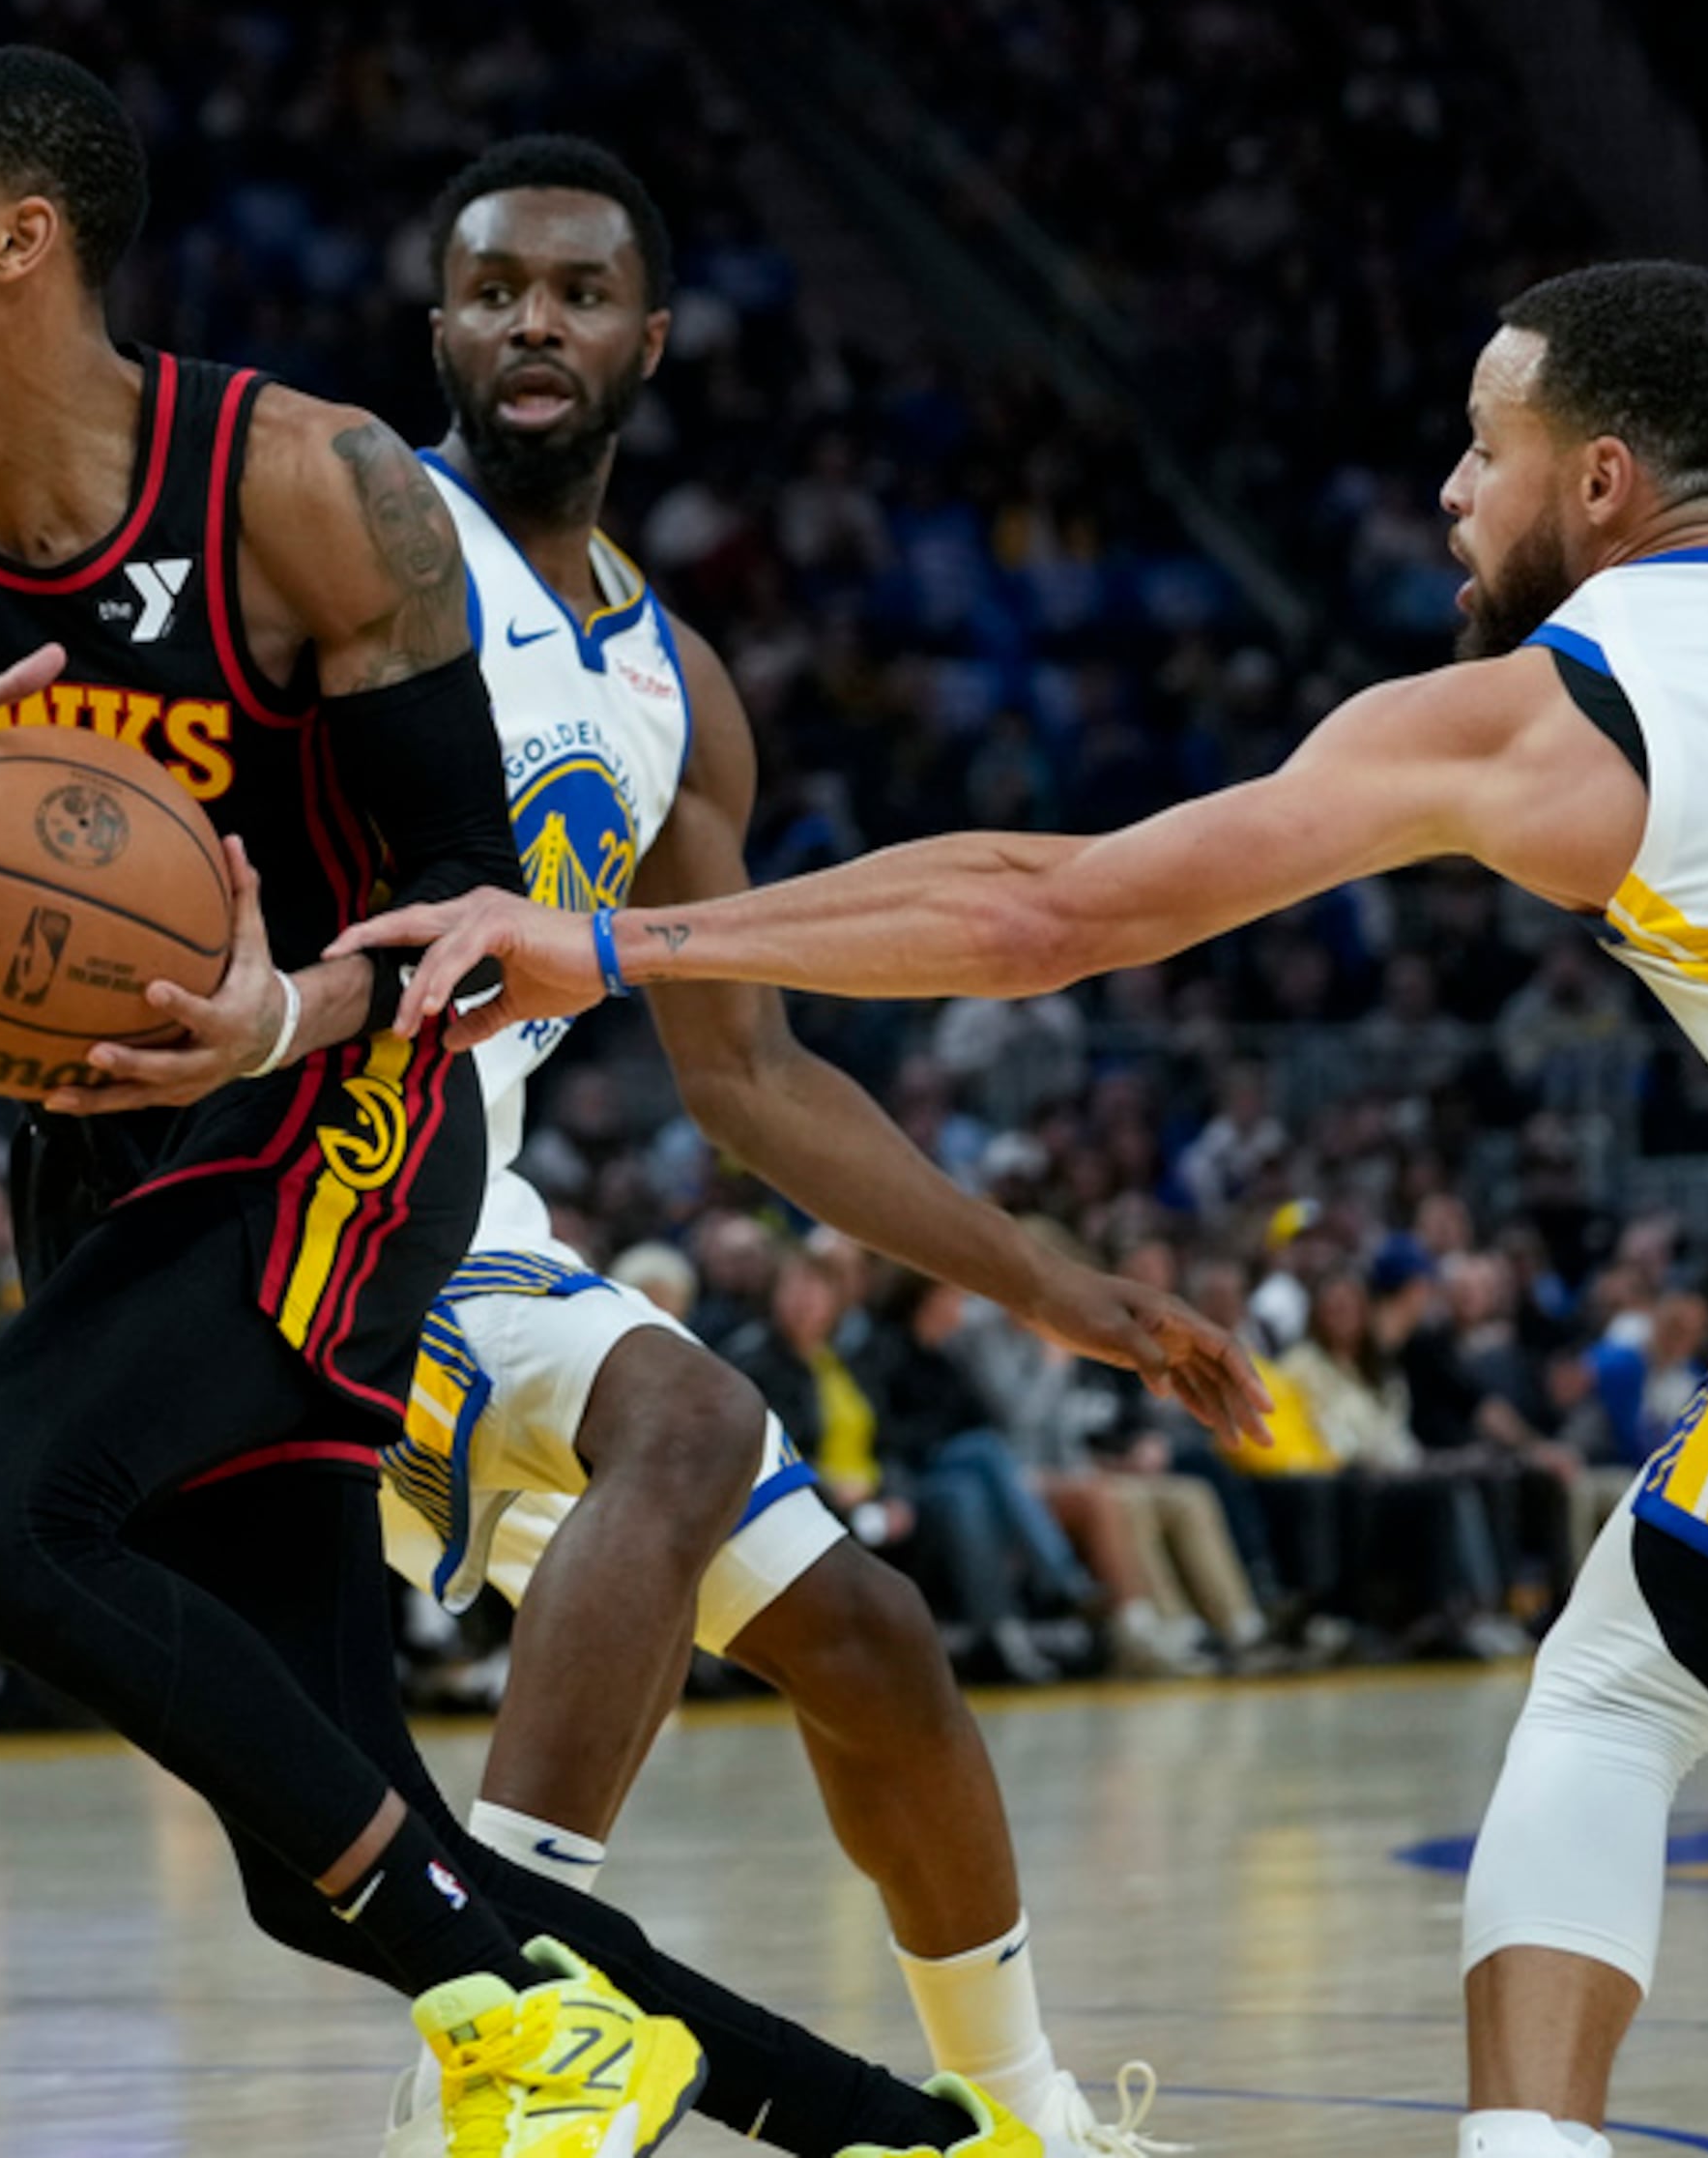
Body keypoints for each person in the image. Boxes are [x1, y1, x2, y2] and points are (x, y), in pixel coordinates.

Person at [0, 45, 1012, 2158]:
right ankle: (901, 2136)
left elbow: (465, 905)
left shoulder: (305, 485)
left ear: (22, 242)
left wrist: (271, 1017)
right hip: (111, 1133)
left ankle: (525, 2009)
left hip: (349, 1102)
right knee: (333, 1835)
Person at [344, 259, 1708, 2158]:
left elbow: (1048, 908)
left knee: (1617, 1696)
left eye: (1489, 449)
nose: (1456, 492)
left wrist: (610, 936)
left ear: (1608, 482)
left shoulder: (1547, 709)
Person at [247, 139, 1233, 2156]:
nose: (537, 319)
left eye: (579, 291)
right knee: (683, 1423)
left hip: (469, 1198)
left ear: (652, 338)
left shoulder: (674, 683)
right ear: (439, 325)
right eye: (497, 286)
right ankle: (502, 2056)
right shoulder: (348, 534)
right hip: (288, 1197)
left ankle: (1019, 2112)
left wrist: (1049, 1279)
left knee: (873, 1639)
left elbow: (752, 1076)